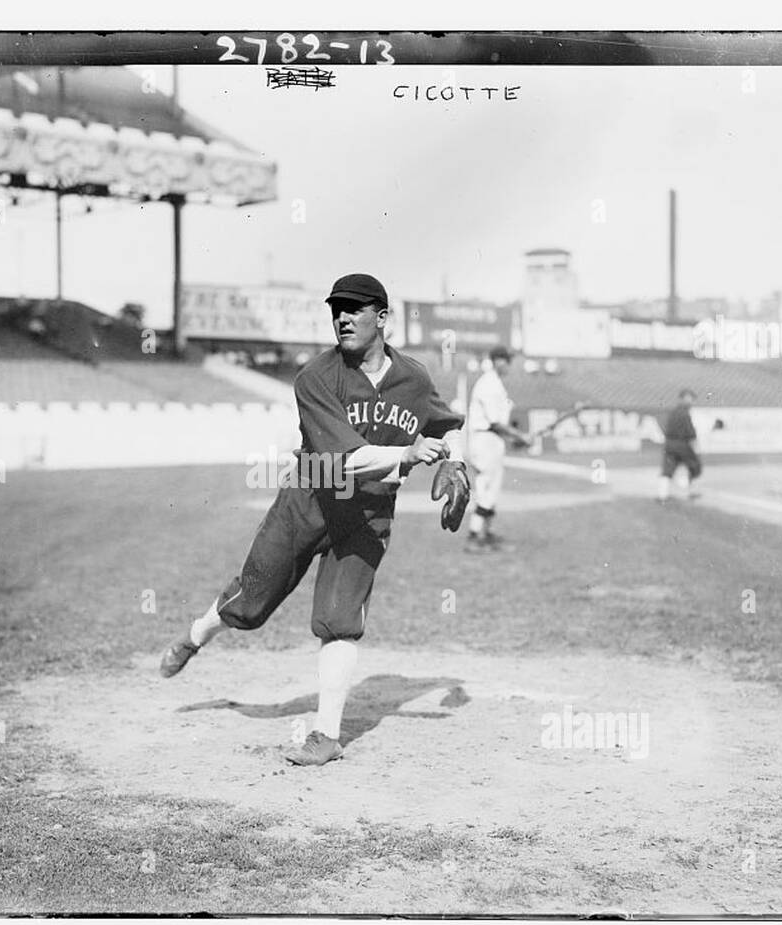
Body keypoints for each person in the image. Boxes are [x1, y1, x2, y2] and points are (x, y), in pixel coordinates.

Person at [158, 273, 468, 766]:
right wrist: (407, 456)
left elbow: (446, 426)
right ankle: (196, 635)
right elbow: (345, 459)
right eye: (336, 310)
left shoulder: (414, 378)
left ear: (382, 318)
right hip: (311, 496)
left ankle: (326, 735)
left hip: (367, 513)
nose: (342, 317)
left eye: (354, 309)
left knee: (340, 619)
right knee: (252, 603)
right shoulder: (316, 377)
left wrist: (453, 462)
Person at [465, 347, 528, 551]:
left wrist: (514, 438)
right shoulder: (489, 384)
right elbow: (495, 422)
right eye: (507, 360)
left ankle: (486, 533)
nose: (509, 364)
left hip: (491, 439)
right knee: (486, 488)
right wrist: (519, 436)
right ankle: (474, 536)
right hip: (485, 439)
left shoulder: (495, 383)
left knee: (491, 488)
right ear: (498, 361)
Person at [657, 388, 702, 501]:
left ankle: (662, 495)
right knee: (694, 466)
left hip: (669, 444)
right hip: (682, 445)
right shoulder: (684, 414)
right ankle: (692, 492)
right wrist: (695, 445)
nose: (690, 402)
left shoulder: (673, 412)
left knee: (667, 469)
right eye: (689, 399)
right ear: (682, 399)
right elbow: (690, 431)